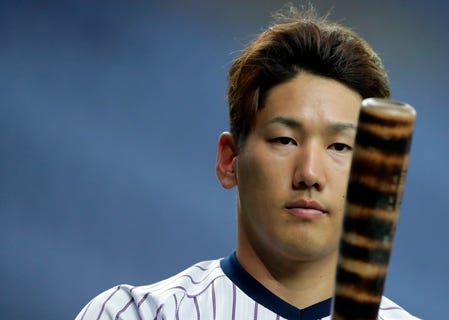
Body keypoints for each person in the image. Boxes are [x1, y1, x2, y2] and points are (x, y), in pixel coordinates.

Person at [76, 4, 419, 320]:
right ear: (229, 160)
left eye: (340, 146)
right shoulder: (137, 314)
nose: (310, 174)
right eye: (285, 140)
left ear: (375, 179)